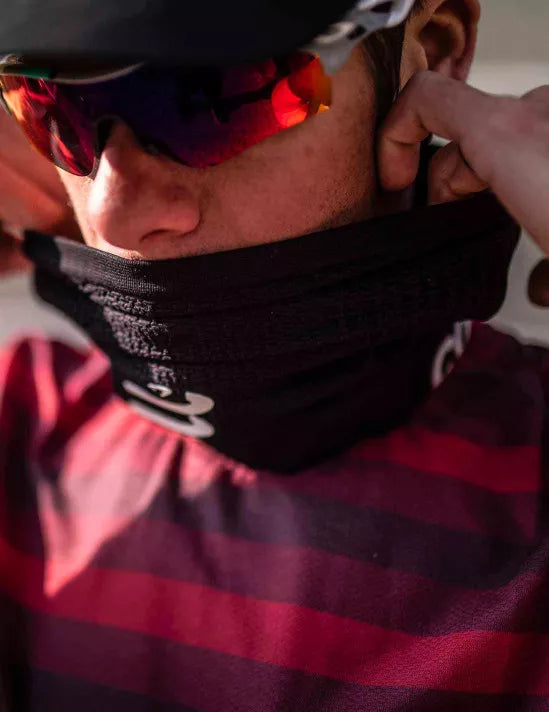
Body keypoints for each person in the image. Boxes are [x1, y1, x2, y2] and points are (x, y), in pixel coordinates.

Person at [0, 0, 549, 709]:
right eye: (51, 110)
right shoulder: (23, 423)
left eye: (209, 96)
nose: (115, 213)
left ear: (434, 50)